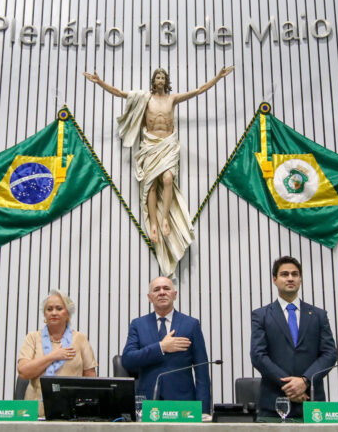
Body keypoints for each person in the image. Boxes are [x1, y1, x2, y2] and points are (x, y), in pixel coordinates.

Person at [83, 66, 233, 275]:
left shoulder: (172, 99)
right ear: (153, 81)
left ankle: (164, 218)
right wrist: (99, 82)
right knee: (151, 186)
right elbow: (119, 93)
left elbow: (199, 91)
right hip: (151, 145)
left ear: (166, 80)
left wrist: (218, 77)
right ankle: (153, 223)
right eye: (157, 76)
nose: (160, 79)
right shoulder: (144, 99)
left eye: (163, 76)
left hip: (168, 144)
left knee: (169, 178)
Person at [250, 256, 338, 419]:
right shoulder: (261, 315)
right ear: (275, 280)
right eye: (284, 274)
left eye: (295, 274)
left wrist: (305, 381)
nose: (290, 278)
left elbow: (329, 353)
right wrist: (290, 386)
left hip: (311, 402)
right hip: (274, 401)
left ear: (300, 279)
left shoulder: (318, 315)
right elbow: (258, 355)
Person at [121, 276, 212, 414]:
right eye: (156, 289)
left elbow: (202, 371)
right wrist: (161, 347)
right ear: (150, 297)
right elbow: (128, 360)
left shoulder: (191, 324)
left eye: (166, 288)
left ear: (174, 295)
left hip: (183, 404)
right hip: (148, 403)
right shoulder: (138, 324)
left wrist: (204, 411)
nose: (162, 292)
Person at [17, 289, 97, 417]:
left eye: (59, 308)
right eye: (49, 309)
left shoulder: (80, 338)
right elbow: (23, 372)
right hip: (34, 411)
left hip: (71, 410)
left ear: (68, 314)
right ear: (45, 314)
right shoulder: (32, 337)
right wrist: (53, 356)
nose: (54, 312)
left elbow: (90, 376)